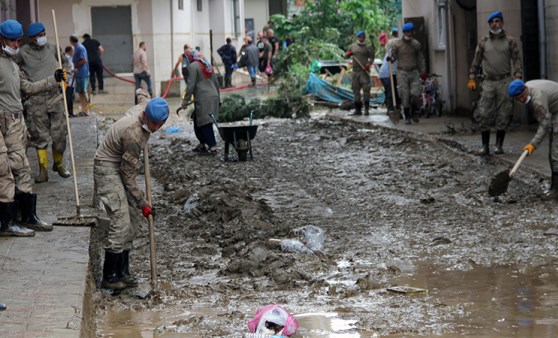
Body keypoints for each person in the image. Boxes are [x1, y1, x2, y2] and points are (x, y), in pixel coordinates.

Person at [94, 91, 168, 290]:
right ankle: (110, 275)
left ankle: (123, 272)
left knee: (133, 220)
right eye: (153, 124)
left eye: (158, 125)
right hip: (107, 167)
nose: (155, 128)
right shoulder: (134, 136)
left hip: (120, 165)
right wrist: (143, 203)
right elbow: (128, 177)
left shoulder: (145, 106)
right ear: (146, 117)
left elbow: (141, 93)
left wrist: (143, 92)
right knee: (120, 219)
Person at [0, 19, 66, 235]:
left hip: (17, 121)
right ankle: (7, 222)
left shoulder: (12, 64)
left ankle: (28, 217)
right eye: (12, 40)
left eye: (18, 41)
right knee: (4, 170)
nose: (16, 44)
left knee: (22, 168)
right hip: (3, 121)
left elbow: (27, 87)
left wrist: (53, 80)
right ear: (1, 38)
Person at [17, 22, 71, 184]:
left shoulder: (53, 48)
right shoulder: (22, 53)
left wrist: (65, 76)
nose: (42, 38)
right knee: (39, 136)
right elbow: (15, 71)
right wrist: (24, 85)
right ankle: (43, 171)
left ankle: (59, 164)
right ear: (32, 39)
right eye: (38, 36)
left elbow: (65, 62)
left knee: (60, 134)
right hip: (35, 99)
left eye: (43, 34)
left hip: (55, 96)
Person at [468, 10, 523, 155]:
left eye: (497, 21)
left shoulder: (510, 41)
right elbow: (477, 60)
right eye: (492, 22)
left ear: (502, 23)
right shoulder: (484, 41)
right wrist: (472, 76)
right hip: (488, 82)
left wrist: (518, 76)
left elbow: (517, 60)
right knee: (484, 112)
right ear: (489, 24)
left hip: (505, 81)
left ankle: (499, 145)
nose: (494, 24)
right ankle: (485, 146)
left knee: (504, 113)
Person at [508, 80, 558, 200]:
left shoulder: (538, 100)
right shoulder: (528, 89)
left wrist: (533, 144)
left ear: (526, 89)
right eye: (517, 99)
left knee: (555, 154)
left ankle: (556, 191)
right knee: (553, 151)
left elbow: (545, 124)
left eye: (522, 96)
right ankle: (553, 187)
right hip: (554, 109)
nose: (521, 100)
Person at [181, 49, 220, 154]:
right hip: (213, 95)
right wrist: (218, 98)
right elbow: (216, 82)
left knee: (204, 122)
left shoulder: (193, 66)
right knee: (197, 119)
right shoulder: (207, 64)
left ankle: (212, 146)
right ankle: (202, 144)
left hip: (204, 98)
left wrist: (185, 101)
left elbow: (190, 86)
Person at [389, 22, 426, 123]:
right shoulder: (397, 44)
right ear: (404, 33)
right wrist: (390, 58)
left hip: (414, 72)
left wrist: (423, 71)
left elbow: (421, 58)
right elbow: (393, 57)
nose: (409, 34)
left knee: (415, 94)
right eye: (407, 32)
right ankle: (407, 116)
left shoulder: (416, 44)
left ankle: (414, 112)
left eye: (410, 32)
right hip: (402, 72)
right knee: (404, 95)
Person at [346, 30, 375, 116]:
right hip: (355, 71)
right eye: (360, 37)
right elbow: (346, 55)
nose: (362, 38)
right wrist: (349, 53)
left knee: (366, 90)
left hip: (364, 71)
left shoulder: (368, 47)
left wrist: (368, 64)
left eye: (363, 37)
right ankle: (357, 110)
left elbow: (372, 58)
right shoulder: (353, 47)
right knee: (356, 90)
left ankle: (366, 109)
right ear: (357, 37)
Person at [70, 34, 90, 116]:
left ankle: (86, 110)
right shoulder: (77, 48)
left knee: (83, 91)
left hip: (82, 73)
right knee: (81, 92)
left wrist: (75, 66)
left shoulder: (80, 48)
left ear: (71, 41)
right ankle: (84, 109)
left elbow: (83, 60)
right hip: (79, 73)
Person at [64, 46, 76, 118]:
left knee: (70, 97)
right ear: (70, 51)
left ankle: (70, 112)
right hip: (68, 81)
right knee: (68, 97)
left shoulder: (69, 58)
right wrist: (73, 70)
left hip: (71, 80)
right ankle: (69, 112)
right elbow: (67, 69)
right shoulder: (66, 58)